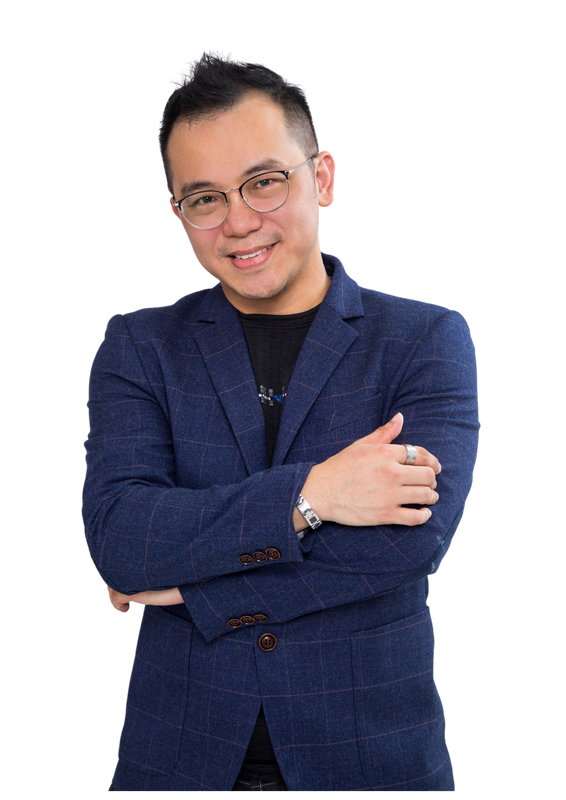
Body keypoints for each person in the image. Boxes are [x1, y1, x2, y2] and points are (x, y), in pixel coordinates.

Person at [83, 47, 482, 795]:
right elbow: (121, 537)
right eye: (205, 198)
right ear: (177, 215)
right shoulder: (137, 343)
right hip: (177, 765)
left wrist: (189, 591)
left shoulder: (427, 337)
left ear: (323, 178)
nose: (239, 222)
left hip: (375, 765)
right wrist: (312, 498)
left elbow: (410, 542)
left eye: (264, 183)